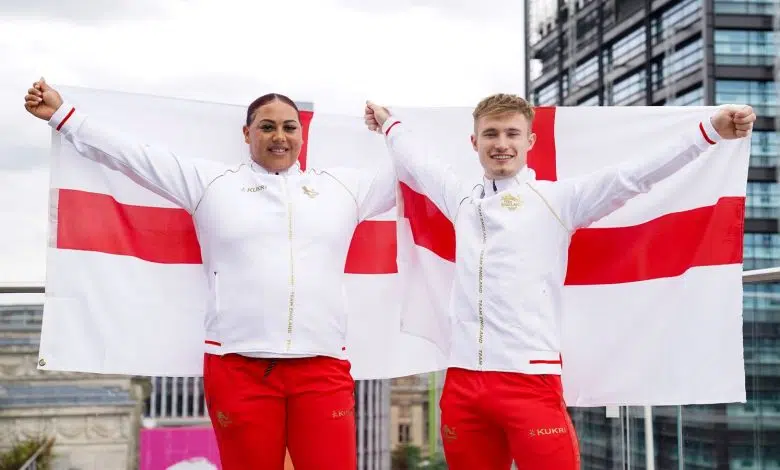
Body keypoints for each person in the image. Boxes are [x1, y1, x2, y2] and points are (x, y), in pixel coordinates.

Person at [364, 94, 755, 470]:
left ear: (529, 140)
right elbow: (419, 161)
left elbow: (633, 176)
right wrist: (388, 122)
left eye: (512, 134)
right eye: (491, 134)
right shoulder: (462, 200)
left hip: (530, 383)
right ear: (475, 142)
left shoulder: (559, 200)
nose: (502, 144)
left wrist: (710, 130)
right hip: (463, 386)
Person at [24, 78, 396, 470]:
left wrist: (391, 128)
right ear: (247, 133)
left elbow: (411, 176)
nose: (279, 137)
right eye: (266, 126)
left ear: (301, 133)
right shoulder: (212, 183)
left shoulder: (341, 189)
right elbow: (135, 157)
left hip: (321, 367)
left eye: (289, 127)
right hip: (238, 368)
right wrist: (64, 117)